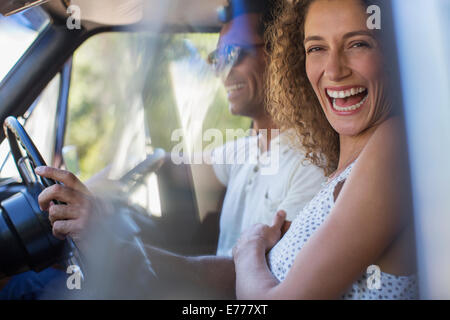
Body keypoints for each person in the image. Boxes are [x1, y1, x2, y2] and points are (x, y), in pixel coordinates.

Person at [1, 0, 326, 299]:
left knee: (22, 288)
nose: (220, 70)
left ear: (279, 57)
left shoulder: (313, 167)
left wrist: (114, 243)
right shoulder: (251, 148)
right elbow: (169, 165)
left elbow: (240, 278)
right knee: (26, 283)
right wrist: (94, 192)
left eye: (232, 55)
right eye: (215, 59)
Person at [231, 0, 419, 299]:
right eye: (316, 48)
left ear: (396, 54)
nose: (333, 70)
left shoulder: (395, 147)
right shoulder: (344, 170)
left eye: (358, 44)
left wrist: (248, 250)